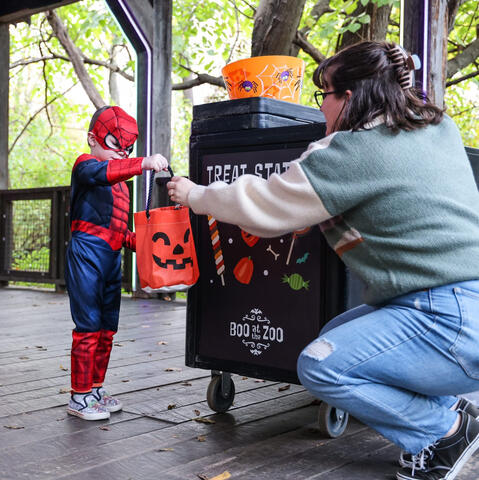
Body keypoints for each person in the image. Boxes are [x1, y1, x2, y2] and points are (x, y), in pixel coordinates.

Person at [167, 41, 479, 479]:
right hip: (459, 309)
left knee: (321, 363)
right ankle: (454, 410)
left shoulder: (352, 152)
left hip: (446, 321)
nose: (321, 109)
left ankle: (442, 432)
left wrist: (196, 195)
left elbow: (265, 207)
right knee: (336, 333)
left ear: (348, 98)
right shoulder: (438, 128)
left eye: (324, 95)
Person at [65, 105, 168, 421]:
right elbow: (98, 173)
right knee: (88, 326)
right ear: (92, 138)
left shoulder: (121, 185)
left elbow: (122, 233)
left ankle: (95, 388)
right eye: (115, 143)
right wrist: (142, 163)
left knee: (108, 328)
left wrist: (154, 244)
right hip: (86, 253)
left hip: (111, 258)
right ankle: (79, 395)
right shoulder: (86, 165)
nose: (121, 152)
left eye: (128, 148)